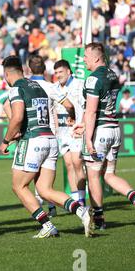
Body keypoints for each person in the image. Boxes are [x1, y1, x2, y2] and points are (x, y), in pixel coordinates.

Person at [0, 56, 93, 238]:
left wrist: (6, 140)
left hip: (33, 140)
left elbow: (17, 117)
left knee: (19, 186)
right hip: (50, 139)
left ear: (7, 73)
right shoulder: (39, 87)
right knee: (44, 189)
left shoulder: (16, 88)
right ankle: (81, 211)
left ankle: (46, 224)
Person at [76, 42, 135, 229]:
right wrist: (83, 124)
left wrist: (87, 138)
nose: (83, 59)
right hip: (114, 129)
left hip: (100, 131)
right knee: (109, 175)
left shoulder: (93, 79)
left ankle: (99, 219)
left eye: (85, 56)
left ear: (96, 57)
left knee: (92, 175)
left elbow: (92, 111)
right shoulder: (112, 74)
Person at [28, 55, 76, 216]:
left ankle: (42, 209)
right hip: (51, 135)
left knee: (25, 179)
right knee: (46, 174)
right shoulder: (50, 87)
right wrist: (73, 116)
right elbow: (69, 104)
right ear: (45, 70)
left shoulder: (25, 86)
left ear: (29, 69)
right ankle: (54, 206)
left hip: (33, 135)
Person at [53, 59, 87, 206]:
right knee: (68, 164)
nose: (58, 75)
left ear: (68, 71)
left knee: (77, 163)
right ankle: (76, 199)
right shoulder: (54, 88)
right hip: (62, 131)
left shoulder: (79, 85)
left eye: (60, 72)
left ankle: (82, 198)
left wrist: (79, 121)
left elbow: (85, 107)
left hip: (76, 129)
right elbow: (54, 109)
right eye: (55, 73)